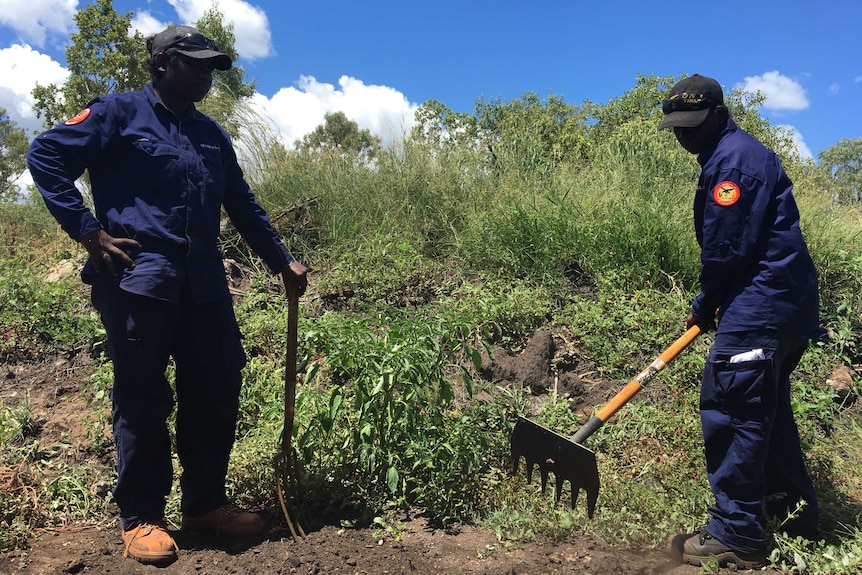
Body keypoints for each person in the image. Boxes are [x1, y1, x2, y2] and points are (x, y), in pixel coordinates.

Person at [27, 25, 308, 565]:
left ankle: (204, 505)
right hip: (138, 279)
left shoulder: (211, 136)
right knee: (143, 395)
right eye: (195, 63)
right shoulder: (117, 113)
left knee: (217, 384)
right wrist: (89, 232)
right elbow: (45, 156)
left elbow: (243, 205)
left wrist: (281, 259)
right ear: (161, 63)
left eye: (211, 66)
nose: (205, 73)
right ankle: (142, 517)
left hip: (203, 284)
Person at [659, 74, 823, 569]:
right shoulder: (739, 154)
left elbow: (728, 248)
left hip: (761, 302)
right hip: (781, 305)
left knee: (733, 406)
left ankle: (737, 533)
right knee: (764, 411)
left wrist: (706, 301)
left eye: (692, 125)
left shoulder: (734, 161)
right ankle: (793, 518)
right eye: (677, 128)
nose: (684, 135)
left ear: (718, 114)